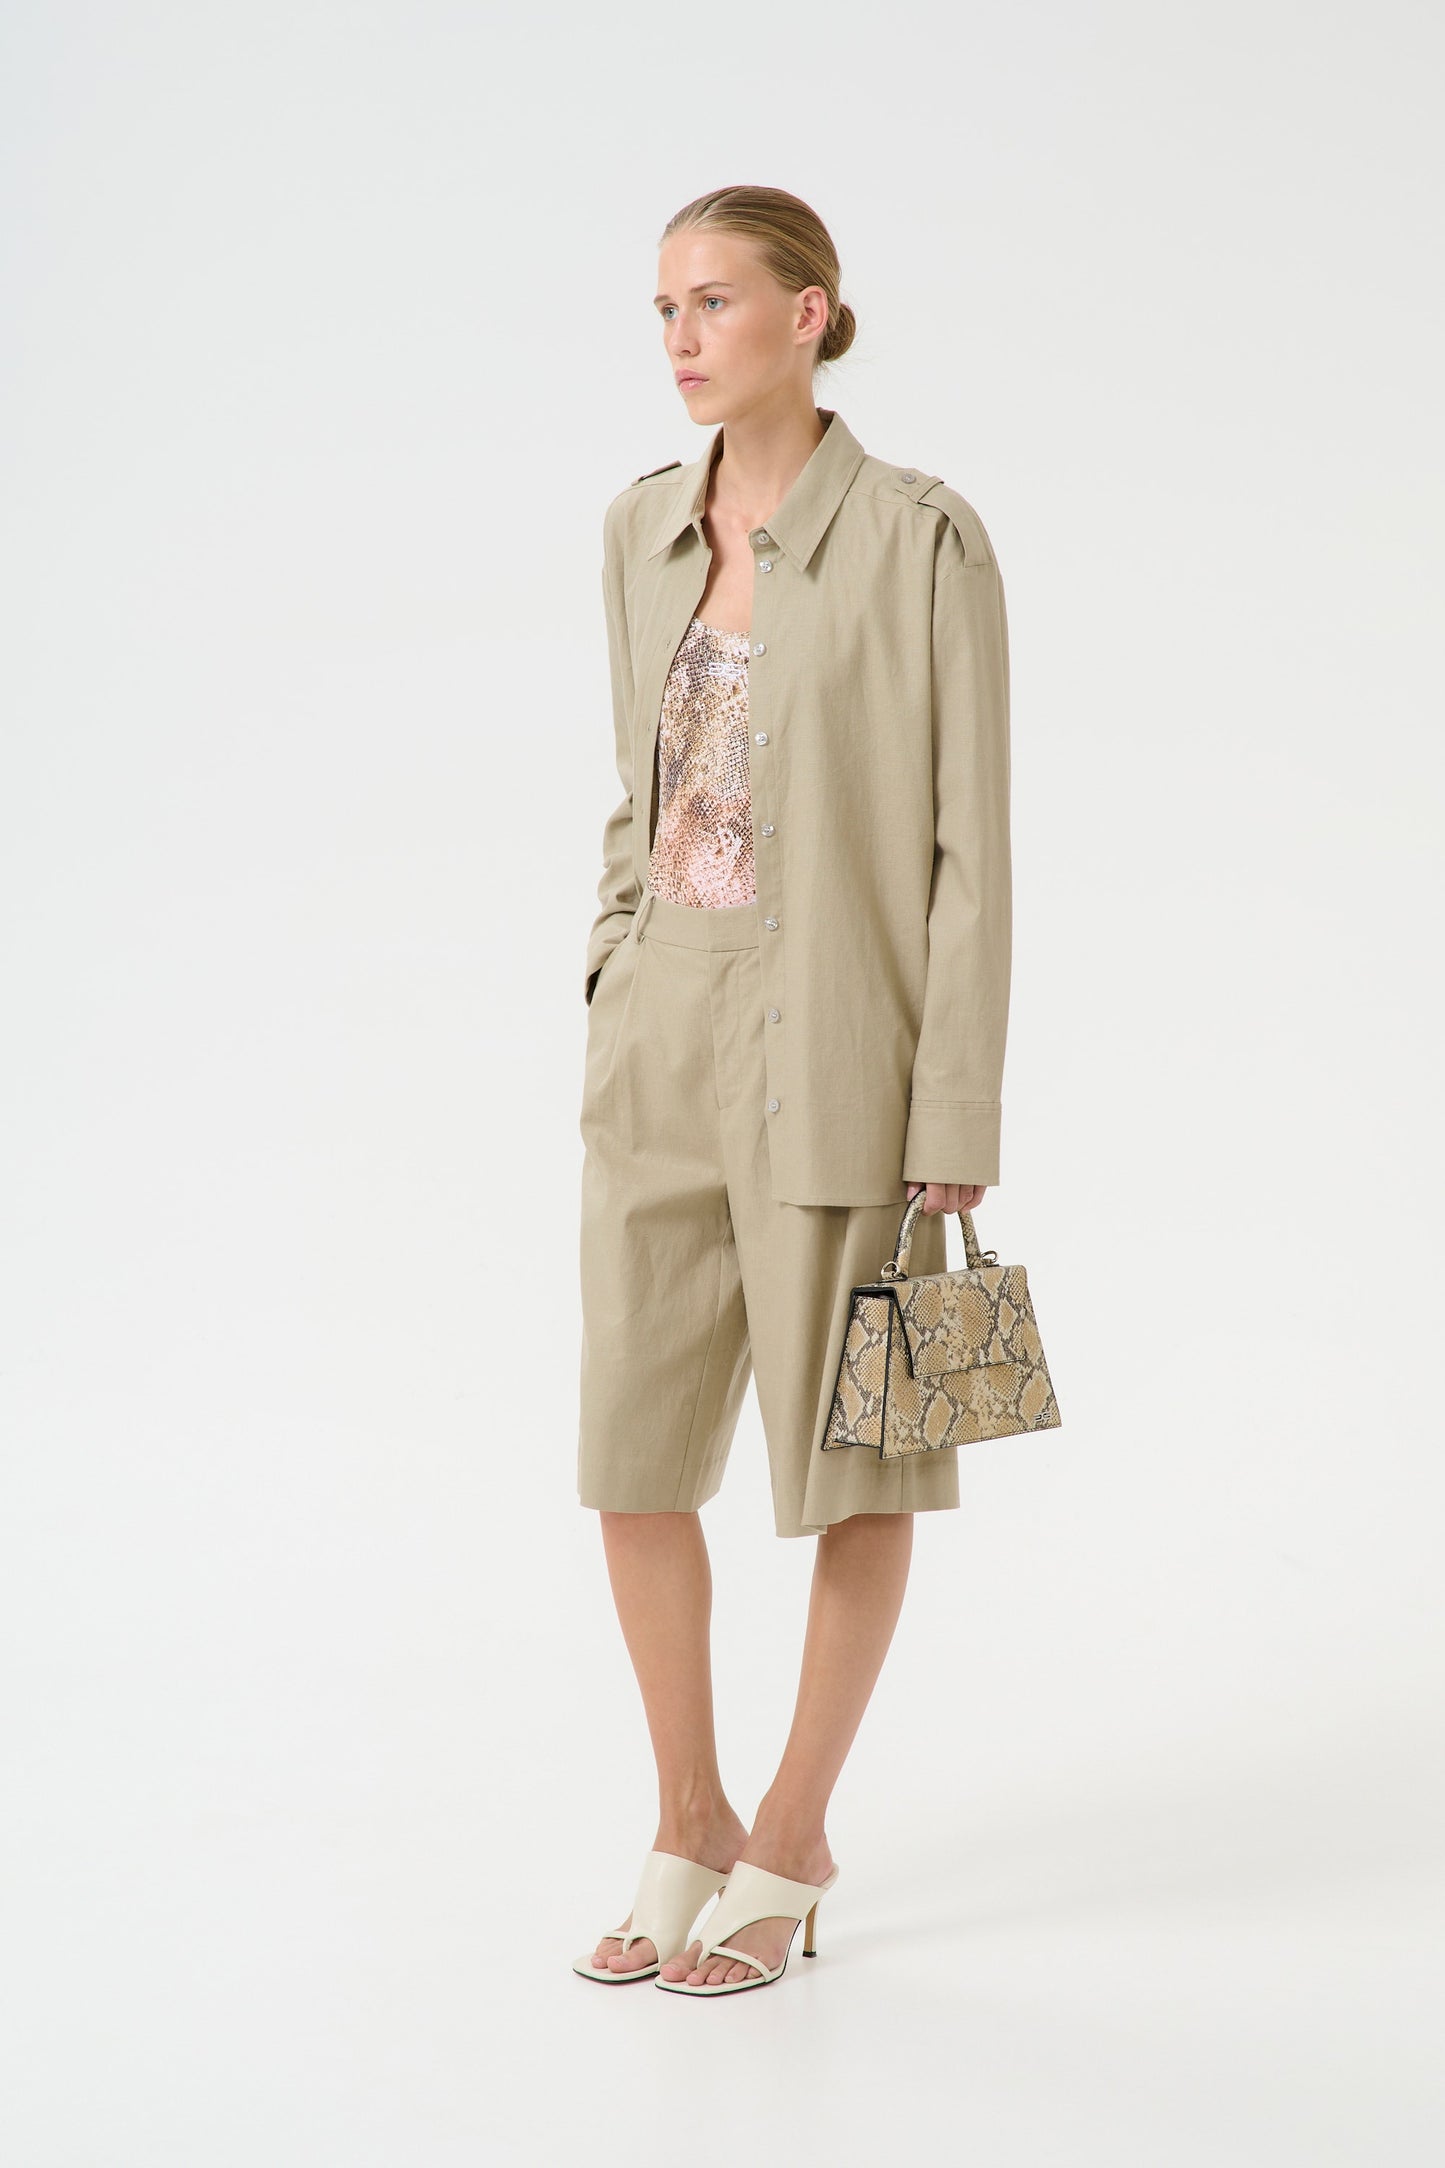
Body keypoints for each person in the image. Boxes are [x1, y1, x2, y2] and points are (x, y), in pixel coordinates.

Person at [573, 186, 1013, 1996]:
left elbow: (967, 852)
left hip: (834, 1041)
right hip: (659, 1036)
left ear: (810, 314)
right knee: (630, 1454)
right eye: (663, 309)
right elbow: (638, 786)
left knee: (851, 1459)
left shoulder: (921, 541)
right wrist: (613, 965)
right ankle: (687, 1815)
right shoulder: (638, 530)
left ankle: (793, 1837)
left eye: (716, 302)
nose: (682, 338)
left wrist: (950, 1112)